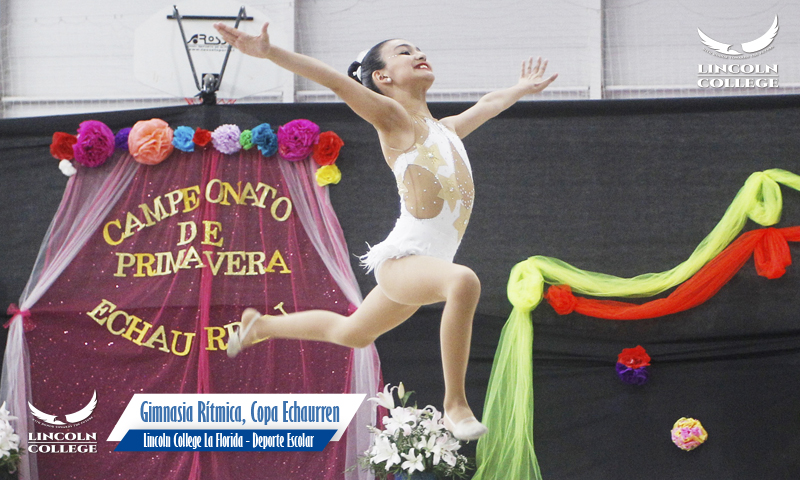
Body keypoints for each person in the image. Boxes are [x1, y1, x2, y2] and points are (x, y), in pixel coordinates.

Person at [214, 21, 557, 441]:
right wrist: (270, 53)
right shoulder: (394, 119)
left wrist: (520, 88)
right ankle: (455, 404)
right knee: (463, 281)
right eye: (404, 51)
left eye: (418, 47)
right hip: (404, 261)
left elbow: (489, 103)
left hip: (424, 266)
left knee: (352, 334)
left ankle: (261, 327)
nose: (417, 53)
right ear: (382, 77)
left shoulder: (446, 129)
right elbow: (335, 81)